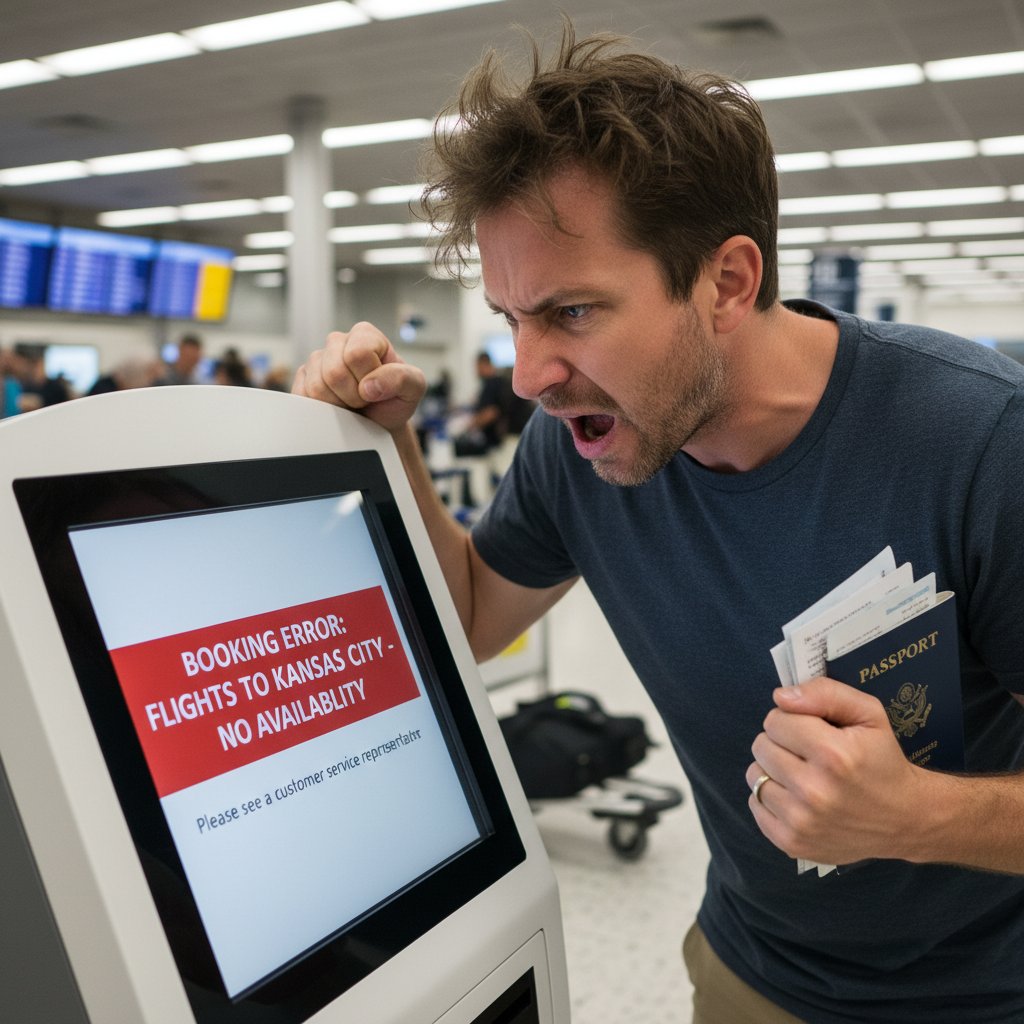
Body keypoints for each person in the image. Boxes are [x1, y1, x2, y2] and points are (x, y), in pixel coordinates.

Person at [292, 24, 1024, 1024]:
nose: (527, 374)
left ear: (726, 282)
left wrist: (917, 816)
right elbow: (469, 620)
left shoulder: (980, 441)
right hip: (751, 970)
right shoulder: (580, 445)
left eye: (573, 312)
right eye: (512, 317)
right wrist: (388, 448)